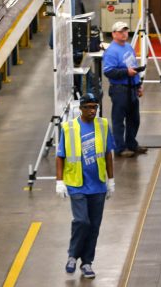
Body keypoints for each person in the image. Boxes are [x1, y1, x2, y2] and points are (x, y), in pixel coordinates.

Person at [56, 93, 115, 279]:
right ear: (80, 108)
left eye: (95, 107)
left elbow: (107, 154)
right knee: (82, 221)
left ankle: (87, 262)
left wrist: (111, 180)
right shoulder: (68, 128)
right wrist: (59, 182)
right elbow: (60, 156)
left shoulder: (103, 125)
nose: (92, 110)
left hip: (97, 185)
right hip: (76, 184)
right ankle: (73, 256)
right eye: (88, 107)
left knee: (94, 226)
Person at [103, 21, 147, 158]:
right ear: (114, 34)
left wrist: (138, 84)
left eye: (125, 31)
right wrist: (125, 73)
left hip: (132, 88)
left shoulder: (128, 46)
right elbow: (108, 72)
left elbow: (133, 65)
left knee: (134, 119)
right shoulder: (111, 51)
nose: (124, 34)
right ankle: (120, 148)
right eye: (121, 31)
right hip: (119, 89)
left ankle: (131, 144)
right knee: (119, 120)